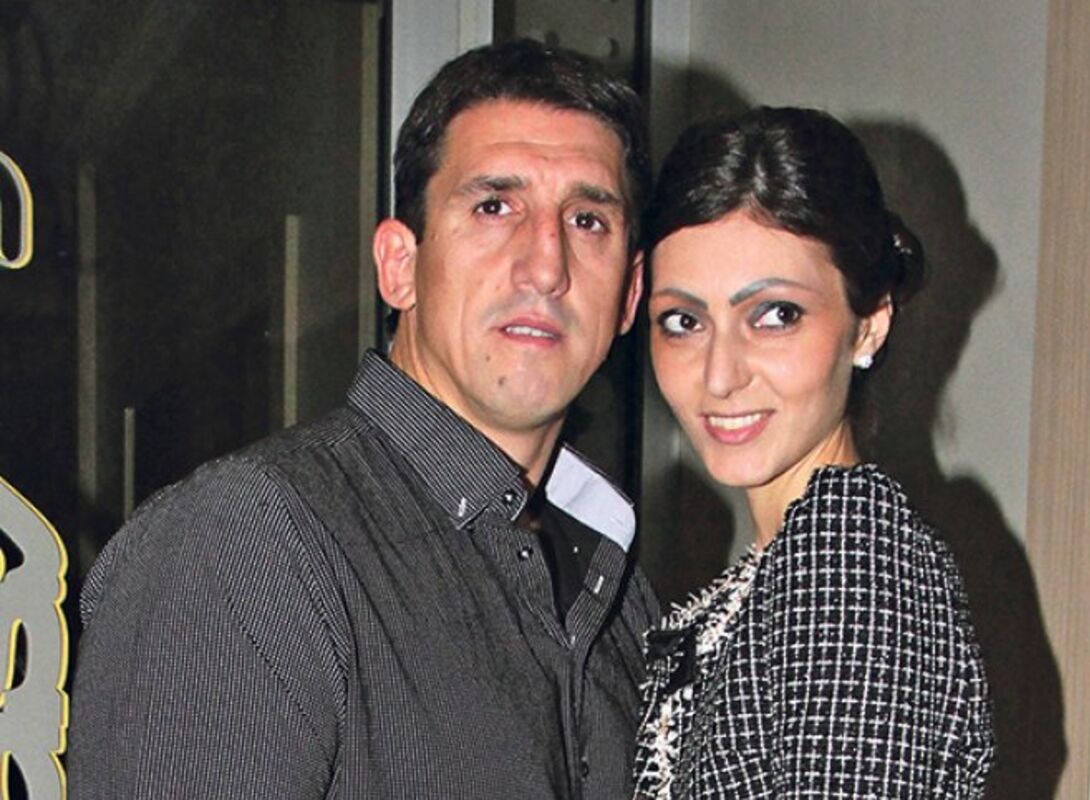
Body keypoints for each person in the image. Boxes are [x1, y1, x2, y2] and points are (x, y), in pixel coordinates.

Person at [68, 40, 658, 799]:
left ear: (629, 295)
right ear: (399, 266)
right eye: (494, 206)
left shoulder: (622, 593)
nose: (546, 265)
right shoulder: (248, 547)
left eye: (587, 220)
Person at [632, 107, 995, 798]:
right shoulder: (783, 566)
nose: (720, 375)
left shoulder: (846, 557)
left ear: (869, 325)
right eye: (683, 321)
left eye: (775, 315)